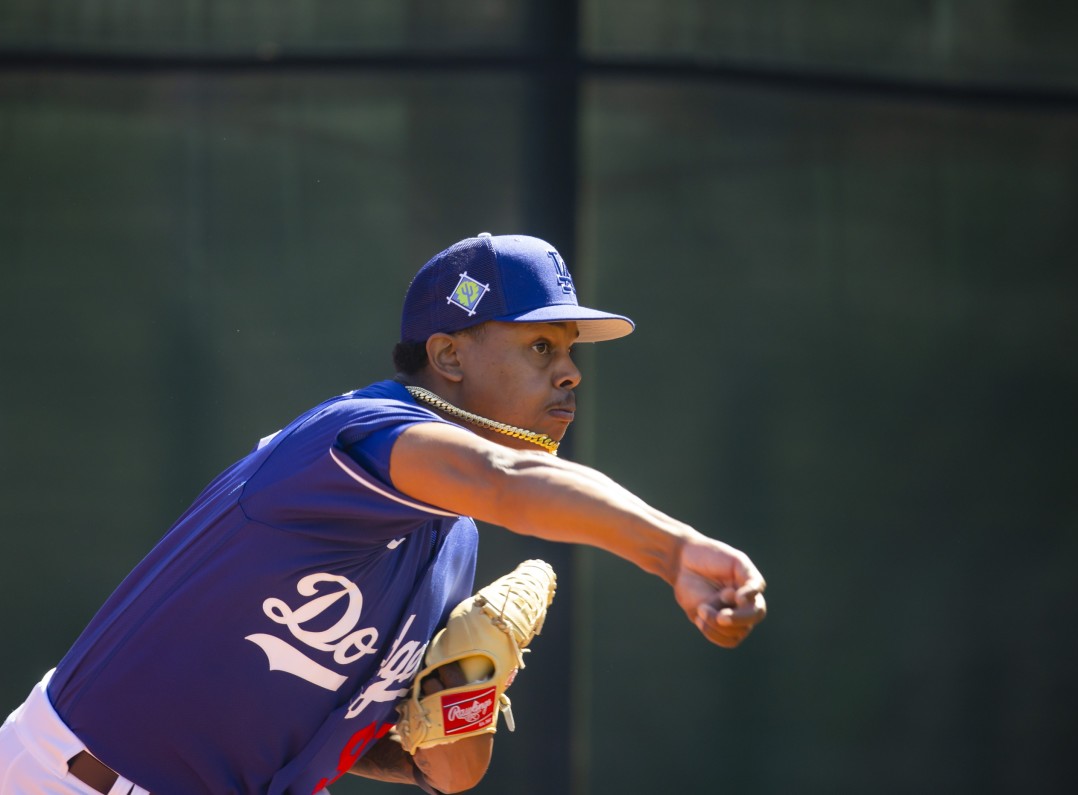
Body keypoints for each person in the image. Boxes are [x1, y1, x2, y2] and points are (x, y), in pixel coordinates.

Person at [0, 232, 767, 794]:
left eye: (570, 351)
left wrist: (461, 698)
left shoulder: (451, 544)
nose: (569, 371)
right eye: (539, 346)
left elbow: (436, 769)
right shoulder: (351, 436)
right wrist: (672, 551)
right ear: (450, 355)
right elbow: (504, 477)